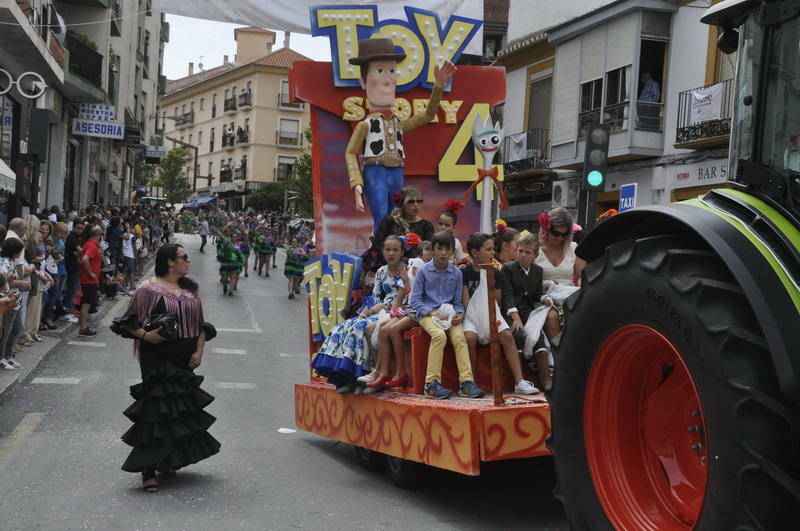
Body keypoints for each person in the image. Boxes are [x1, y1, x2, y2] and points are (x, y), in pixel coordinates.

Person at [121, 244, 220, 492]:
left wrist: (200, 350)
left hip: (184, 358)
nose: (188, 261)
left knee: (179, 410)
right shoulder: (148, 289)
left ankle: (168, 460)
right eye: (184, 257)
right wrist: (146, 336)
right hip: (157, 358)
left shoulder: (190, 289)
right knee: (156, 410)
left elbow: (199, 324)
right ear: (169, 262)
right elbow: (128, 322)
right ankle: (148, 469)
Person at [345, 38, 456, 231]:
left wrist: (438, 86)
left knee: (396, 217)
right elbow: (350, 152)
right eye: (380, 71)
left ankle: (393, 252)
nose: (388, 79)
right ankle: (379, 254)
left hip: (397, 172)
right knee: (381, 217)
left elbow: (428, 114)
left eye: (391, 71)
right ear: (363, 81)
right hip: (376, 171)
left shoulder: (398, 124)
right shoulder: (366, 124)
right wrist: (357, 183)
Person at [311, 235, 409, 392]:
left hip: (397, 311)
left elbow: (406, 296)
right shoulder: (381, 271)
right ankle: (346, 376)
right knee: (343, 326)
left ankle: (370, 374)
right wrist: (366, 310)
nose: (391, 253)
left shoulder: (407, 270)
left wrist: (383, 306)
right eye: (388, 250)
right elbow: (375, 296)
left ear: (402, 252)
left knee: (360, 327)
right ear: (383, 252)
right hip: (380, 310)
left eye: (395, 250)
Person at [411, 231, 485, 400]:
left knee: (460, 337)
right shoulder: (423, 271)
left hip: (449, 314)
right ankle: (431, 384)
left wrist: (460, 313)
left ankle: (466, 383)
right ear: (433, 249)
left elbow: (457, 301)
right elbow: (415, 300)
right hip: (427, 314)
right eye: (439, 248)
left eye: (447, 249)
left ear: (452, 251)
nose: (443, 253)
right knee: (439, 336)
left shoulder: (456, 273)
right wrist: (432, 313)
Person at [463, 233, 538, 395]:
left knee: (506, 335)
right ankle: (471, 382)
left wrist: (490, 321)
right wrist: (478, 320)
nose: (492, 253)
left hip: (491, 312)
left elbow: (496, 301)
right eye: (488, 249)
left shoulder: (496, 274)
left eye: (493, 249)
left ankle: (520, 381)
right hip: (471, 316)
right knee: (470, 337)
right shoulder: (465, 273)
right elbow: (466, 300)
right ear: (475, 253)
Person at [501, 231, 555, 391]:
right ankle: (519, 382)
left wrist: (544, 297)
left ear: (535, 255)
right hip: (511, 312)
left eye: (528, 252)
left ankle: (545, 382)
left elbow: (536, 294)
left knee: (537, 336)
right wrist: (515, 317)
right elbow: (508, 295)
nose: (523, 255)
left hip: (529, 312)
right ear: (516, 250)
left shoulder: (537, 271)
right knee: (517, 333)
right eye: (520, 251)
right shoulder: (508, 268)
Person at [362, 185, 434, 272]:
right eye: (411, 201)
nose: (416, 205)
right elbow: (377, 247)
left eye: (419, 201)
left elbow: (429, 254)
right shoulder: (389, 221)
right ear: (402, 203)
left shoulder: (427, 225)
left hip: (415, 269)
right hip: (387, 265)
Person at [0, 238, 27, 370]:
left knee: (17, 329)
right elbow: (4, 282)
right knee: (6, 331)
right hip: (7, 300)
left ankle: (8, 355)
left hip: (15, 299)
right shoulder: (3, 261)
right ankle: (1, 358)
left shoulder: (11, 261)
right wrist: (21, 283)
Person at [78, 227, 102, 337]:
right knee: (86, 304)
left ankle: (84, 326)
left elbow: (81, 257)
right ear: (99, 235)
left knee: (86, 303)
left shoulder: (88, 244)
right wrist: (91, 273)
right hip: (89, 280)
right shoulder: (92, 245)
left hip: (87, 279)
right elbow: (85, 259)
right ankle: (83, 328)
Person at [62, 219, 84, 322]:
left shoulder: (77, 237)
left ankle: (68, 311)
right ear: (74, 227)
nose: (80, 230)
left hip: (76, 267)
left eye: (82, 229)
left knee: (73, 290)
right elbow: (81, 250)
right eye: (79, 228)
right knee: (71, 290)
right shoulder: (71, 237)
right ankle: (65, 312)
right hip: (72, 268)